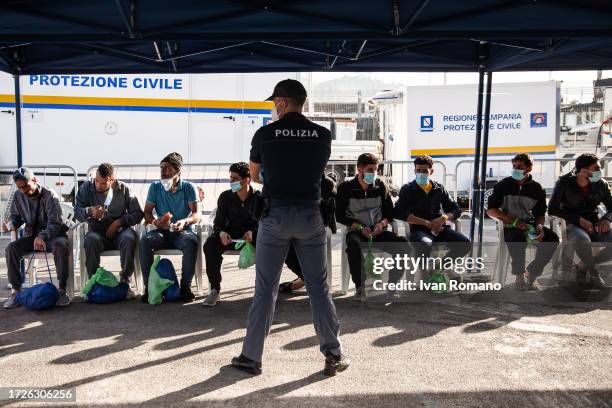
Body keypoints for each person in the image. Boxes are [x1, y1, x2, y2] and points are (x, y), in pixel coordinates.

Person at [231, 79, 348, 377]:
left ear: (282, 102)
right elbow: (314, 172)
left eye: (274, 103)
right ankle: (333, 354)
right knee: (319, 289)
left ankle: (251, 357)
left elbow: (255, 177)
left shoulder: (265, 134)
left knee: (265, 289)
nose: (273, 108)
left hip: (275, 217)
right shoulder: (322, 135)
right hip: (311, 216)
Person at [336, 153, 408, 300]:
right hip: (357, 230)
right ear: (359, 169)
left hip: (378, 231)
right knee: (354, 247)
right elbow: (340, 216)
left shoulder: (380, 186)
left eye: (375, 170)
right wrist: (360, 227)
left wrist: (381, 224)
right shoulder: (346, 188)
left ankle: (392, 287)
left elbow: (390, 212)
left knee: (404, 247)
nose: (373, 173)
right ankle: (360, 287)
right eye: (369, 170)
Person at [487, 153, 559, 290]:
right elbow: (491, 210)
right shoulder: (502, 185)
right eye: (514, 166)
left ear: (529, 169)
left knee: (552, 239)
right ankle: (519, 276)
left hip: (528, 225)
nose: (515, 169)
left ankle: (532, 273)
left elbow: (540, 213)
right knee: (517, 238)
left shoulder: (537, 188)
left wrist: (539, 227)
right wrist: (513, 221)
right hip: (509, 226)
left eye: (519, 166)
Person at [393, 155, 470, 280]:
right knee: (424, 244)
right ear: (414, 171)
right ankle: (424, 274)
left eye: (425, 171)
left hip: (440, 228)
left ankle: (439, 267)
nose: (421, 173)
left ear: (431, 172)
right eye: (418, 170)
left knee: (464, 243)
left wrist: (444, 218)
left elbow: (455, 209)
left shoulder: (439, 188)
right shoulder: (407, 189)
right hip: (419, 229)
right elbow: (398, 212)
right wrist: (425, 223)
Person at [2, 167, 71, 308]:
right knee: (11, 249)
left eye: (26, 186)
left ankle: (62, 289)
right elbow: (16, 218)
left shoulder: (50, 195)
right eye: (20, 187)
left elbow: (55, 223)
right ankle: (16, 291)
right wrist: (9, 225)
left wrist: (42, 236)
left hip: (52, 236)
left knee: (61, 245)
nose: (23, 191)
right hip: (31, 236)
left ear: (34, 180)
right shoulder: (18, 195)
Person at [74, 163, 144, 298]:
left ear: (112, 180)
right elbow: (77, 212)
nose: (98, 185)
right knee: (91, 240)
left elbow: (138, 213)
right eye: (97, 181)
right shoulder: (86, 188)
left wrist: (119, 222)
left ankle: (125, 281)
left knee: (129, 238)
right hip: (97, 232)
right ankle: (94, 280)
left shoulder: (123, 189)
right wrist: (89, 211)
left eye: (103, 183)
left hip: (120, 233)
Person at [139, 152, 201, 303]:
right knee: (145, 241)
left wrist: (184, 222)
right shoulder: (155, 187)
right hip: (162, 232)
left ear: (178, 171)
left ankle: (185, 288)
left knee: (191, 242)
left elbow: (197, 214)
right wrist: (155, 222)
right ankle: (149, 288)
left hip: (183, 232)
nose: (162, 171)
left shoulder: (189, 187)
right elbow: (147, 212)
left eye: (167, 168)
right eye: (161, 168)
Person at [202, 162, 262, 306]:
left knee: (268, 245)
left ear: (247, 180)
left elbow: (263, 222)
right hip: (228, 238)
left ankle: (262, 290)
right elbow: (217, 223)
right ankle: (215, 290)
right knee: (210, 245)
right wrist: (221, 233)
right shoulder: (225, 197)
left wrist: (253, 232)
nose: (231, 182)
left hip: (250, 238)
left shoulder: (259, 198)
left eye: (235, 179)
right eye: (231, 178)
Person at [549, 153, 611, 288]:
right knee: (582, 239)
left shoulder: (601, 184)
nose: (600, 171)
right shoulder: (564, 182)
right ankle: (594, 273)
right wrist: (578, 219)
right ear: (583, 171)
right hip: (571, 225)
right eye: (596, 168)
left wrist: (606, 219)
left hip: (594, 224)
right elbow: (552, 209)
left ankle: (583, 266)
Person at [279, 172, 337, 293]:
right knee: (283, 245)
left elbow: (326, 211)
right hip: (295, 224)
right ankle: (306, 278)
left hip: (317, 226)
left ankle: (306, 280)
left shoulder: (326, 183)